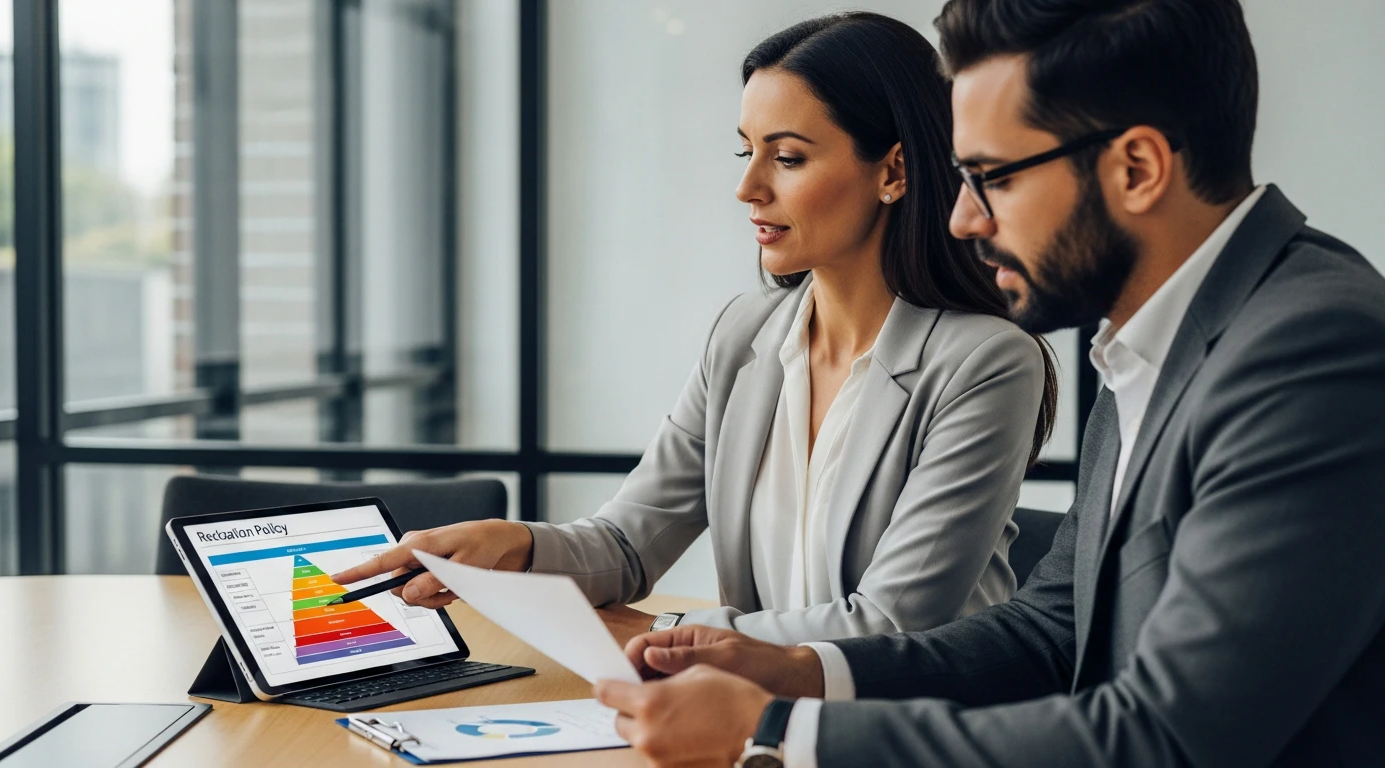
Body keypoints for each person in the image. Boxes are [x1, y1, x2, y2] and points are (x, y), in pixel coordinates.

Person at [595, 0, 1385, 766]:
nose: (963, 219)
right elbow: (1050, 632)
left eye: (991, 177)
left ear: (1137, 168)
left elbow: (1170, 739)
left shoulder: (1312, 352)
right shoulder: (1149, 340)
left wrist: (778, 734)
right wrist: (796, 672)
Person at [333, 12, 1057, 646]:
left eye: (789, 157)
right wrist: (514, 547)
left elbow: (892, 625)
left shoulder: (987, 363)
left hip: (909, 730)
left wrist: (662, 638)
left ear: (893, 170)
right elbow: (627, 546)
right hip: (749, 717)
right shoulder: (744, 337)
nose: (748, 187)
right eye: (748, 151)